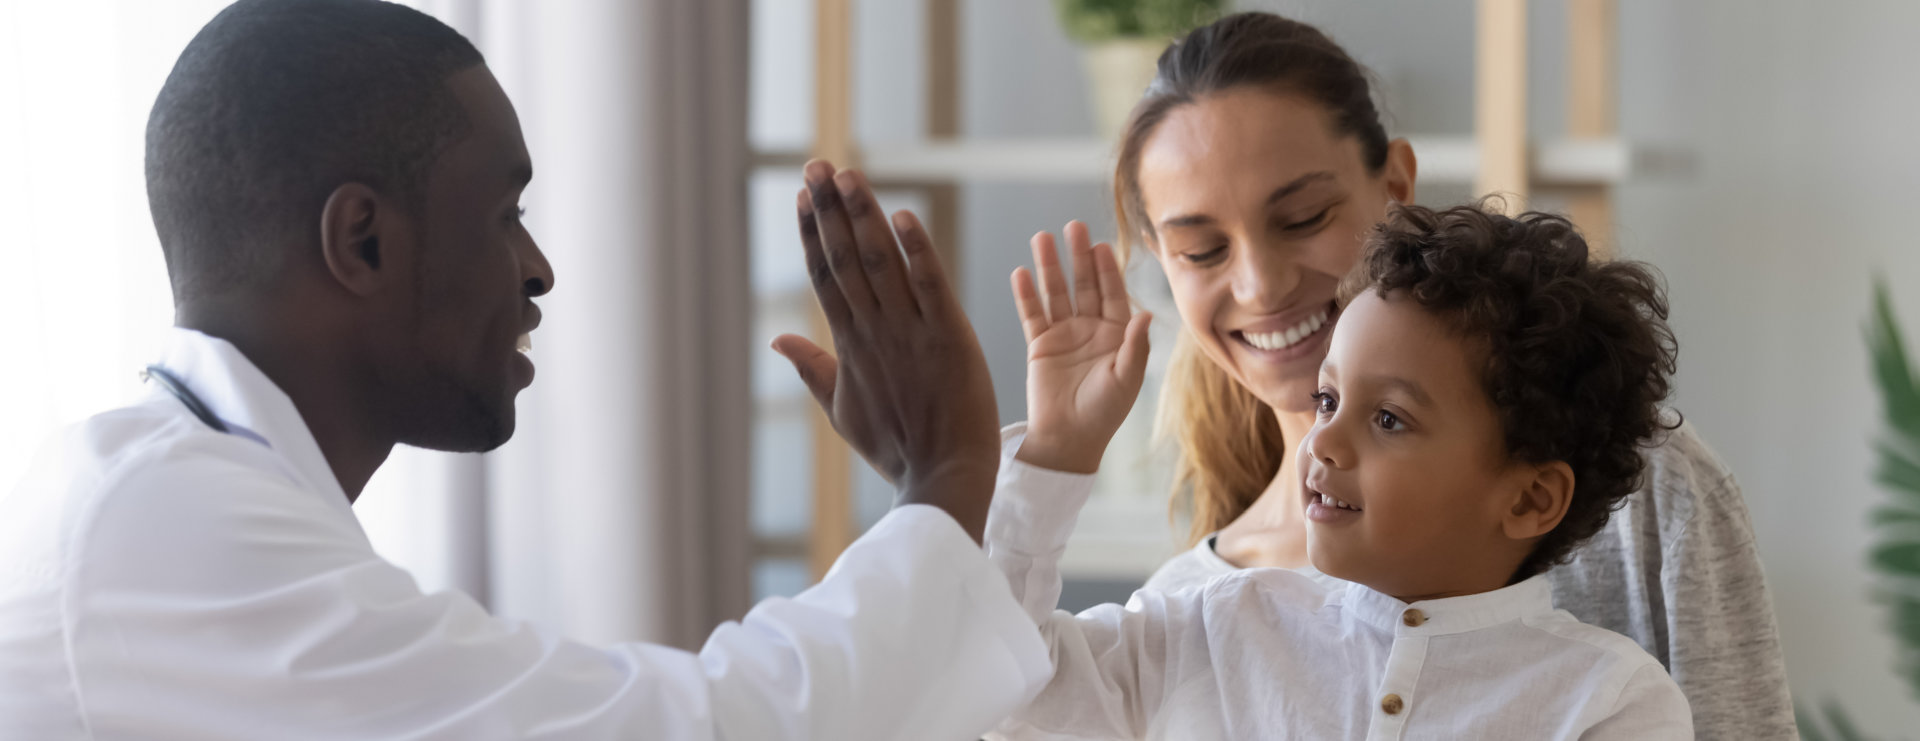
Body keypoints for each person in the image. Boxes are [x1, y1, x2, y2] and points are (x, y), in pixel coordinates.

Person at [0, 1, 1049, 738]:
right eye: (505, 213)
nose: (539, 270)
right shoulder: (165, 521)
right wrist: (949, 474)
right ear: (361, 241)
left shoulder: (173, 491)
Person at [1009, 11, 1791, 738]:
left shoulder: (1645, 495)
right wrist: (1051, 456)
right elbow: (991, 688)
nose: (1259, 285)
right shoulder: (1197, 615)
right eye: (1202, 249)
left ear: (1396, 186)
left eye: (1303, 217)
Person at [986, 202, 1692, 739]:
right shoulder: (1211, 626)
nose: (1323, 440)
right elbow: (996, 685)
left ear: (1532, 497)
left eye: (1389, 418)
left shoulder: (1608, 700)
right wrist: (1055, 454)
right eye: (1326, 398)